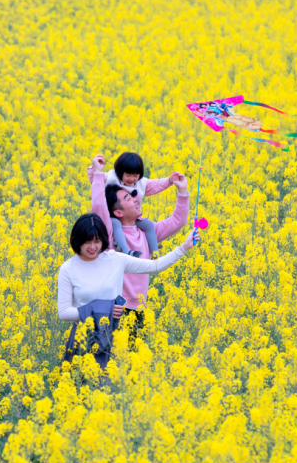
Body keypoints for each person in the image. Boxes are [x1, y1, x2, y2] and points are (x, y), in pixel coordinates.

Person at [56, 213, 197, 365]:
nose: (92, 247)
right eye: (87, 242)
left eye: (97, 241)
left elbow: (154, 266)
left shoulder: (115, 259)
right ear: (77, 241)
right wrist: (103, 309)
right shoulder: (68, 268)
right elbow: (64, 312)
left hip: (114, 337)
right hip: (83, 337)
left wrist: (184, 247)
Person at [89, 153, 191, 341]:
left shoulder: (146, 233)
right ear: (117, 212)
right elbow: (98, 205)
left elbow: (177, 221)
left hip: (139, 309)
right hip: (114, 308)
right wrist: (97, 173)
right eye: (128, 198)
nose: (136, 199)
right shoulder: (109, 234)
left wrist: (182, 192)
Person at [103, 152, 176, 258]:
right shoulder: (110, 178)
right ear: (120, 172)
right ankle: (127, 250)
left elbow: (155, 185)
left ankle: (154, 251)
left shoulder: (141, 184)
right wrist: (94, 168)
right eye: (128, 175)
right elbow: (95, 178)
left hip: (131, 217)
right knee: (116, 225)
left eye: (135, 176)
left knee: (149, 225)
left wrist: (169, 181)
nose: (131, 179)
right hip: (113, 216)